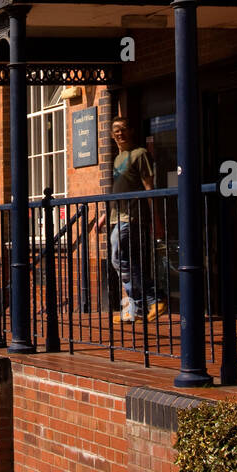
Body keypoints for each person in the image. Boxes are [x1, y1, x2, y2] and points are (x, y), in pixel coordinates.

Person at [100, 118, 165, 324]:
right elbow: (118, 190)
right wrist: (104, 214)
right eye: (116, 130)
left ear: (132, 131)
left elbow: (149, 188)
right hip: (117, 215)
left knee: (118, 258)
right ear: (111, 135)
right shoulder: (118, 158)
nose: (120, 134)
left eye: (124, 129)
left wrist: (156, 220)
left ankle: (155, 297)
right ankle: (136, 307)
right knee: (126, 261)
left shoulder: (140, 154)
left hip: (132, 215)